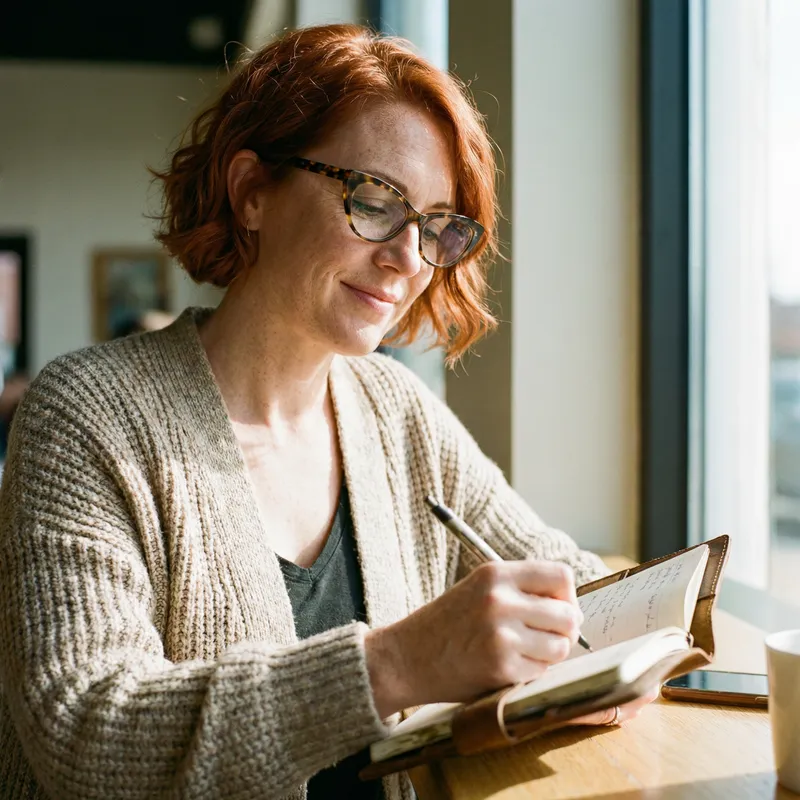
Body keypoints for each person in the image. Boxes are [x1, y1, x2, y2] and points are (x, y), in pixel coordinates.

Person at [0, 23, 657, 800]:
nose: (409, 258)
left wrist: (636, 638)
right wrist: (394, 664)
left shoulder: (394, 409)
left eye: (435, 225)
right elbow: (86, 734)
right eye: (374, 201)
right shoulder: (85, 414)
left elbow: (560, 578)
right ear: (252, 192)